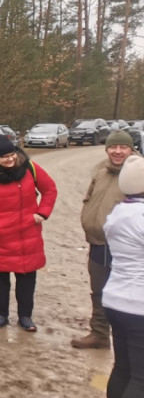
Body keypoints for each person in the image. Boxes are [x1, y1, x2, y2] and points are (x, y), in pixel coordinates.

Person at [0, 135, 57, 331]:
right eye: (4, 157)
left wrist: (43, 213)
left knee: (27, 278)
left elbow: (50, 189)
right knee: (0, 278)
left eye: (12, 154)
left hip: (29, 233)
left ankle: (25, 316)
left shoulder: (30, 168)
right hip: (0, 235)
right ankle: (1, 314)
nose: (10, 159)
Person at [72, 130, 136, 349]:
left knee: (125, 293)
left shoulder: (138, 173)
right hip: (97, 242)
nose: (117, 152)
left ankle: (128, 339)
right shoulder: (102, 171)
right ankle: (99, 333)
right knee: (98, 290)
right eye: (113, 147)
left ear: (131, 149)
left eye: (123, 147)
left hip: (122, 246)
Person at [101, 154, 144, 398]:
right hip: (139, 305)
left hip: (115, 300)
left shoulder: (118, 213)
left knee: (123, 369)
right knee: (141, 378)